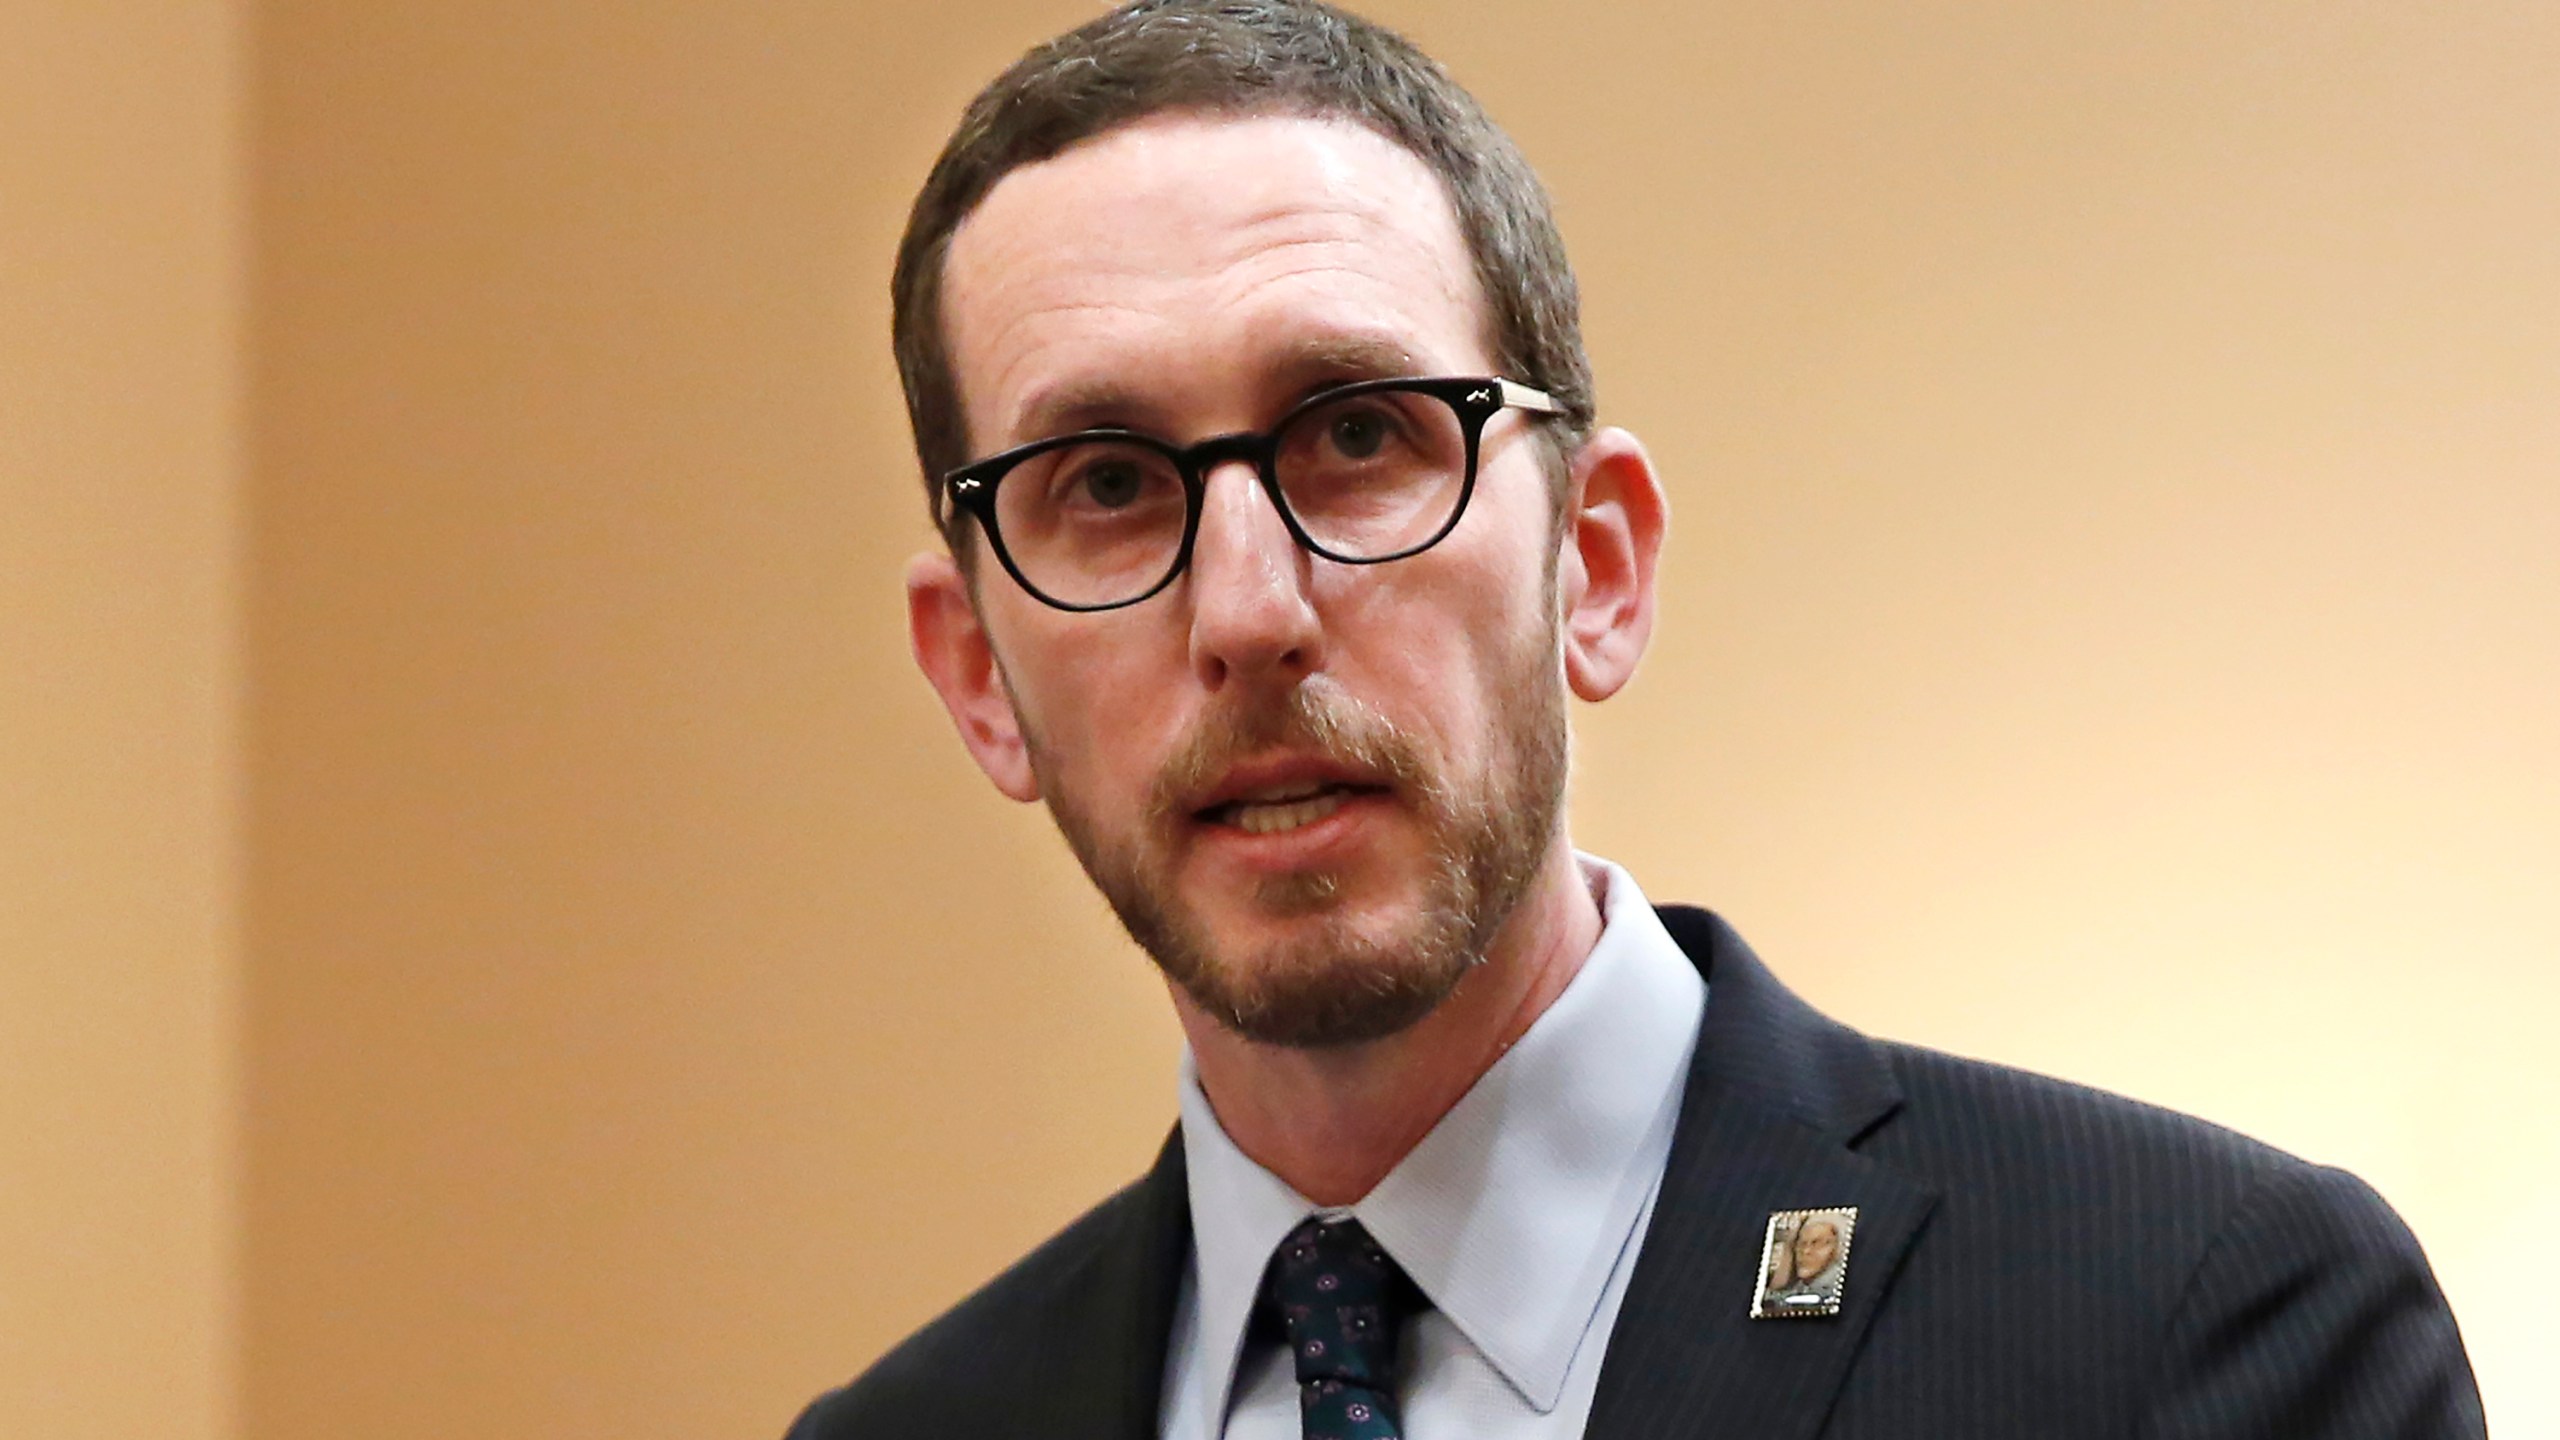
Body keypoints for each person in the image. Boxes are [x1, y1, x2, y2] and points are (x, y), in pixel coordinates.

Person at [787, 2, 2484, 1435]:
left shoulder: (2197, 1326)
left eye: (1361, 436)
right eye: (1103, 484)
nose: (1248, 613)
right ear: (978, 680)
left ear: (1593, 568)